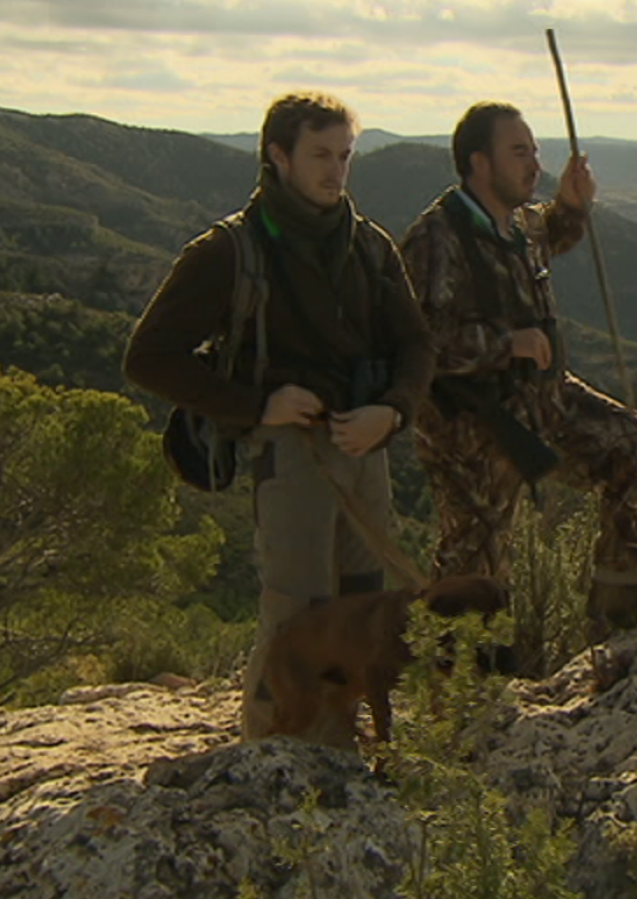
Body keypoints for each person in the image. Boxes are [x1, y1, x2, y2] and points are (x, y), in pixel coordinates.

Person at [123, 92, 434, 748]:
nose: (335, 170)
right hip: (286, 448)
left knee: (361, 597)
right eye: (320, 155)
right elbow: (148, 357)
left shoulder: (369, 245)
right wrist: (259, 405)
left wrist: (392, 411)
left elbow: (415, 343)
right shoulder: (229, 251)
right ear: (278, 155)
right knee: (298, 602)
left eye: (344, 155)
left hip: (363, 439)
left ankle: (337, 739)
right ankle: (271, 751)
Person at [399, 101, 637, 674]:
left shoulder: (516, 223)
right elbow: (418, 344)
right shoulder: (436, 237)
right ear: (478, 162)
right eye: (519, 152)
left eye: (535, 151)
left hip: (543, 401)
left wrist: (572, 205)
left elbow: (551, 235)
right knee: (473, 568)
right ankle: (456, 698)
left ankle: (618, 614)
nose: (534, 164)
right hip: (474, 427)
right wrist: (506, 343)